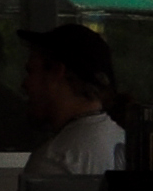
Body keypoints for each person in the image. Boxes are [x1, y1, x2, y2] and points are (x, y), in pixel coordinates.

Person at [16, 22, 124, 179]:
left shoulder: (55, 162)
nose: (24, 84)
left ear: (57, 71)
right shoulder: (125, 143)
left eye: (31, 71)